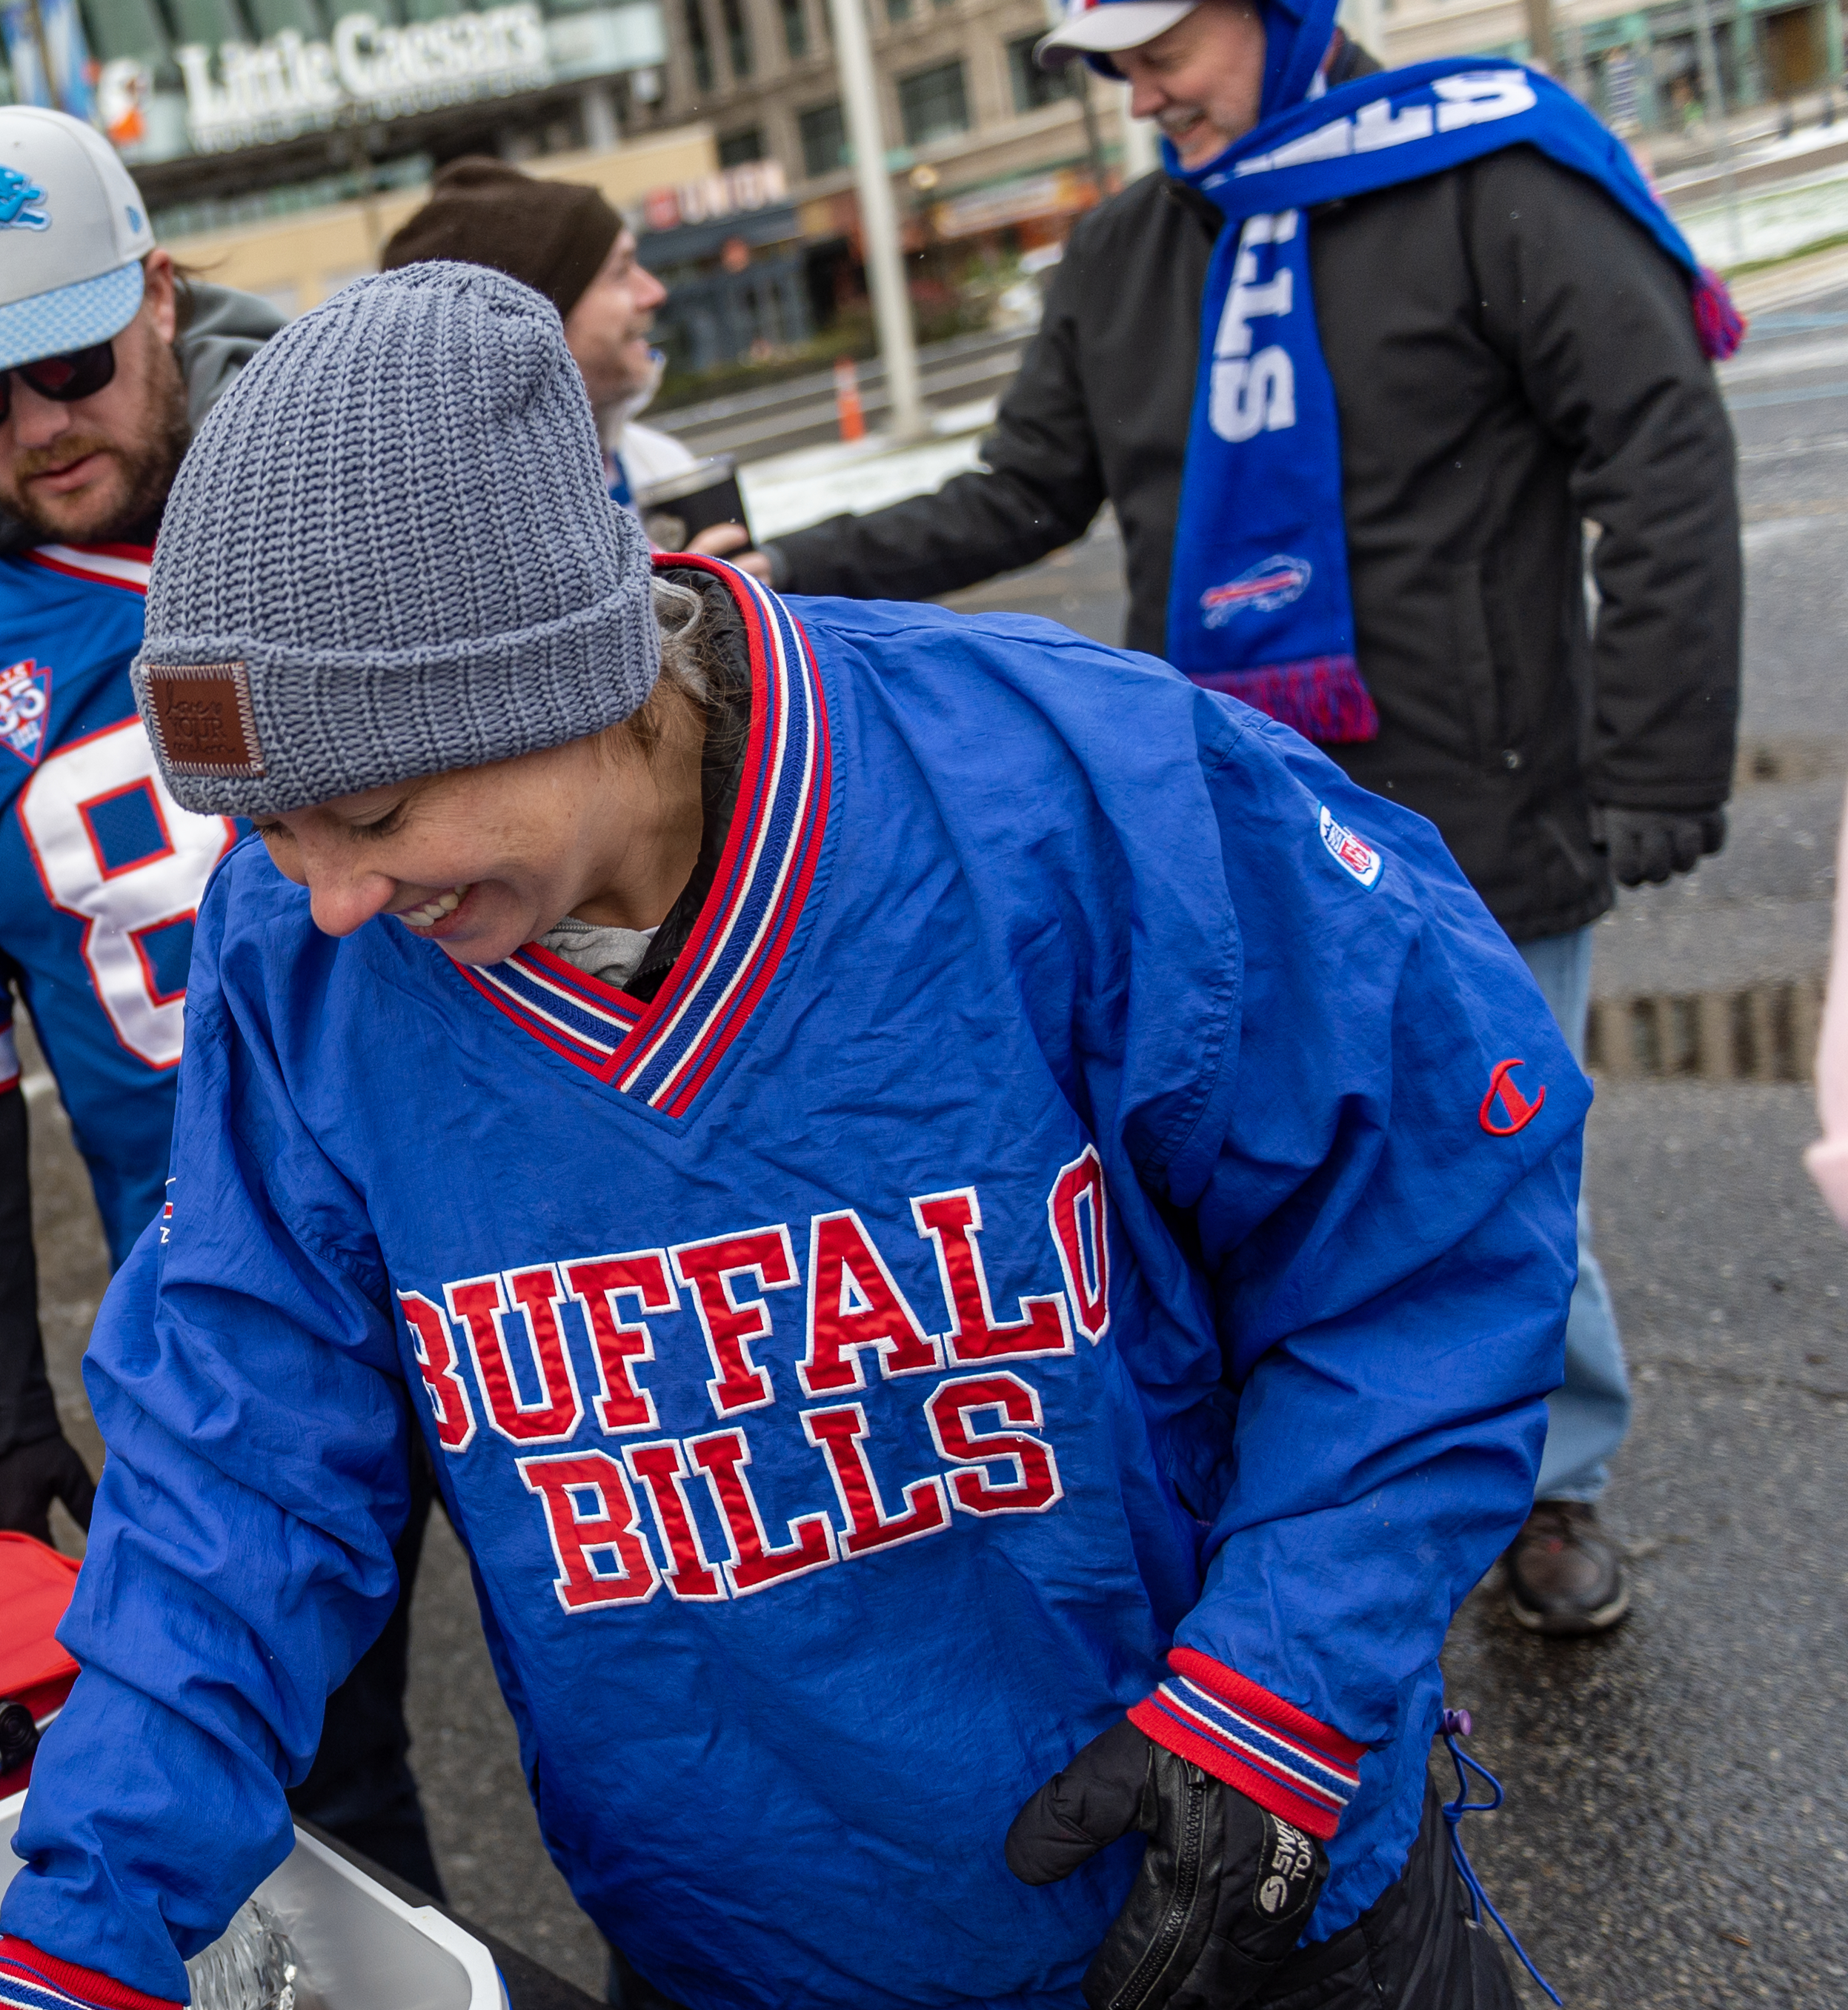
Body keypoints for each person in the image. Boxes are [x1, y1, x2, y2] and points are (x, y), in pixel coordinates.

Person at [0, 264, 1569, 2010]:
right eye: (265, 830)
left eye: (366, 812)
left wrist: (1277, 1691)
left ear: (576, 675)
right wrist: (79, 1970)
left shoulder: (1071, 802)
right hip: (757, 2006)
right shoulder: (307, 959)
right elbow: (235, 1476)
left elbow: (1424, 1226)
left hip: (1234, 1950)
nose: (325, 896)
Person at [722, 0, 1743, 1637]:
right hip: (1223, 821)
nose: (1139, 96)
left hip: (1479, 800)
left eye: (1162, 53)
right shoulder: (1126, 255)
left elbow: (1663, 451)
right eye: (1112, 68)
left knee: (1481, 1167)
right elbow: (1019, 493)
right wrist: (774, 579)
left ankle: (1541, 1485)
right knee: (1253, 1181)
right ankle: (1326, 1507)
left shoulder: (1487, 179)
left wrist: (1659, 757)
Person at [0, 106, 439, 1891]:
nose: (32, 427)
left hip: (505, 1195)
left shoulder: (348, 480)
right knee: (316, 1778)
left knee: (653, 1695)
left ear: (159, 295)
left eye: (66, 362)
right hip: (235, 1280)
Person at [381, 156, 694, 503]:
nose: (654, 293)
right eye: (620, 273)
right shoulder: (473, 523)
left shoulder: (662, 463)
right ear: (533, 324)